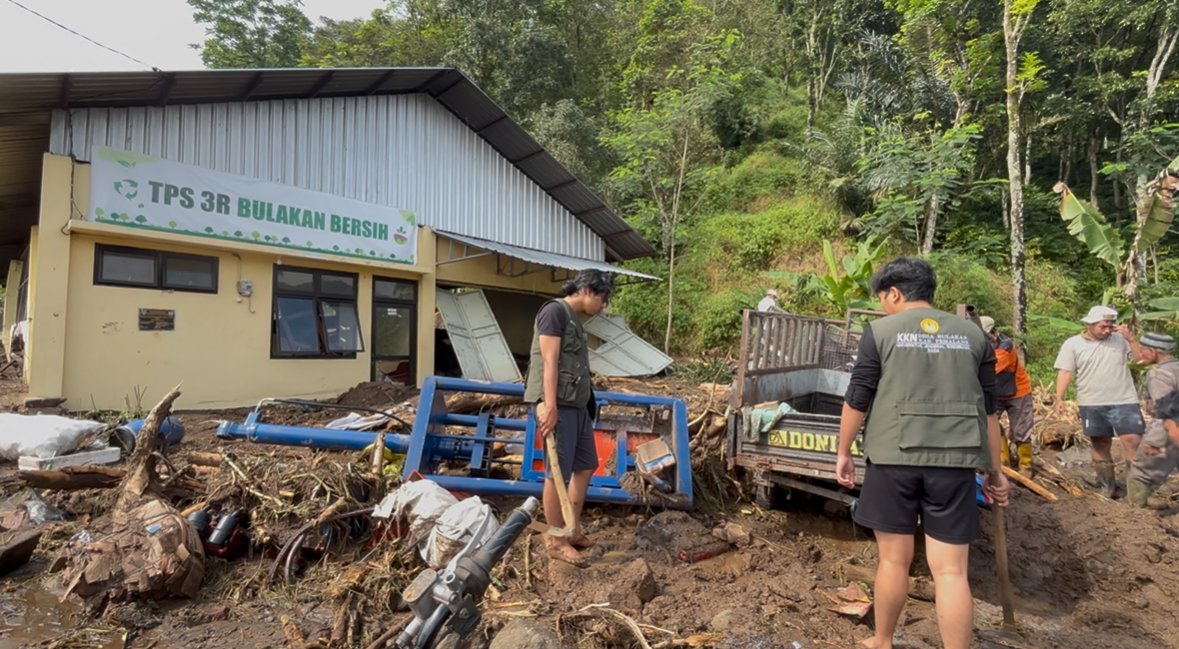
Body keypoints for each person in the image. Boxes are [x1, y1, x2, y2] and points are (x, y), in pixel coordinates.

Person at [836, 257, 1010, 649]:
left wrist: (843, 450)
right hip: (956, 462)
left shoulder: (880, 332)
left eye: (883, 297)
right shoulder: (973, 336)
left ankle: (882, 640)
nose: (883, 305)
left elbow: (858, 396)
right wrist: (994, 471)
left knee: (893, 561)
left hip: (894, 456)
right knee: (951, 572)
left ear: (894, 293)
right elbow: (989, 410)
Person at [523, 269, 613, 567]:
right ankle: (556, 539)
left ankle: (572, 529)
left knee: (586, 465)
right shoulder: (554, 312)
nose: (602, 306)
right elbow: (549, 361)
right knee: (556, 472)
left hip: (576, 404)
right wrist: (549, 405)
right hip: (557, 404)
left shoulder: (575, 320)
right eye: (602, 298)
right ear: (588, 290)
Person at [1053, 305, 1146, 498]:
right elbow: (1065, 371)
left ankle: (1138, 493)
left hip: (1124, 399)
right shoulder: (1073, 344)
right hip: (1092, 401)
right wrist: (1059, 397)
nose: (1107, 330)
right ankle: (1107, 487)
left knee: (1133, 440)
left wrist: (1131, 339)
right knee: (1100, 443)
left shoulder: (1121, 340)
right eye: (1103, 326)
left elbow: (1140, 360)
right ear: (1089, 324)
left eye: (1110, 325)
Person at [1127, 332, 1179, 508]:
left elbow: (1165, 410)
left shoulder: (1159, 374)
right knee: (1164, 467)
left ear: (1153, 351)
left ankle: (1137, 516)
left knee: (1140, 471)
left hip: (1167, 431)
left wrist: (1154, 441)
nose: (1140, 354)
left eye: (1143, 350)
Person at [980, 316, 1035, 477]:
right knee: (992, 425)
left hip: (1018, 392)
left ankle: (1026, 465)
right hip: (995, 392)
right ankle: (1003, 461)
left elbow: (990, 370)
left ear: (994, 333)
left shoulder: (1005, 347)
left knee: (1021, 429)